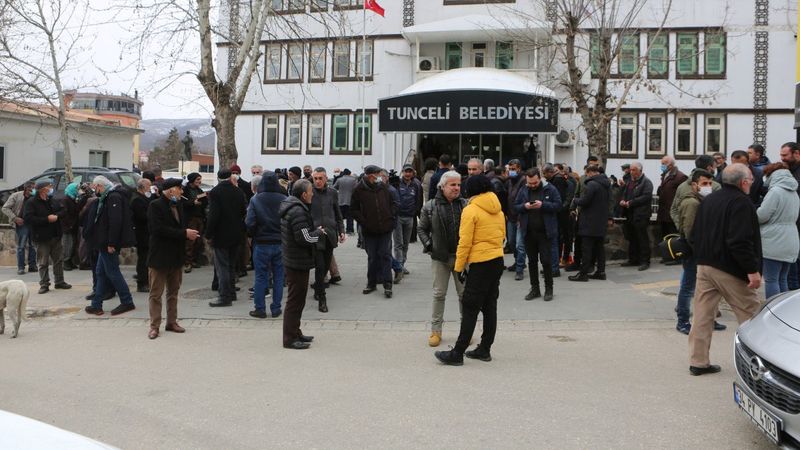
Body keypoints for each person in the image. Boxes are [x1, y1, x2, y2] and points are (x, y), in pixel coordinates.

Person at [689, 164, 763, 376]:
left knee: (702, 315)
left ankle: (698, 361)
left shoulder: (710, 199)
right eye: (750, 178)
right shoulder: (742, 203)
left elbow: (694, 234)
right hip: (730, 268)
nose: (752, 181)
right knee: (752, 316)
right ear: (743, 182)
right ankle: (757, 366)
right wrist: (752, 270)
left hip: (705, 265)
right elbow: (739, 241)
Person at [434, 175, 506, 366]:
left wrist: (459, 267)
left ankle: (457, 352)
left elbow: (464, 242)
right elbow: (503, 237)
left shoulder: (471, 210)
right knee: (490, 306)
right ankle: (485, 348)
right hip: (497, 260)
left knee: (470, 306)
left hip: (481, 263)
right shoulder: (497, 209)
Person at [146, 178, 201, 339]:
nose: (182, 192)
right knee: (156, 293)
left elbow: (180, 226)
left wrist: (187, 233)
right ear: (171, 190)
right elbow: (157, 229)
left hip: (176, 256)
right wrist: (184, 233)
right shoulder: (155, 206)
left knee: (173, 292)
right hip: (160, 256)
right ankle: (154, 325)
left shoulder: (179, 205)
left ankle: (171, 321)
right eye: (179, 189)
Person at [418, 171, 467, 347]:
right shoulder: (430, 206)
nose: (457, 188)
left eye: (459, 185)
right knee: (439, 294)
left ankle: (465, 333)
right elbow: (421, 229)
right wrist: (430, 245)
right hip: (440, 258)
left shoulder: (465, 204)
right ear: (442, 186)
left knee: (464, 295)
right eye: (453, 185)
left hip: (462, 258)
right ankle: (436, 331)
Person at [674, 170, 719, 335]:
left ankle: (709, 319)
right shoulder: (692, 203)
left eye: (709, 183)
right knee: (688, 287)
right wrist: (699, 251)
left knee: (705, 288)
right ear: (694, 185)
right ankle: (683, 321)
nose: (708, 187)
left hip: (702, 250)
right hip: (694, 252)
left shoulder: (702, 200)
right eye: (704, 184)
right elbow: (689, 231)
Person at [280, 179, 323, 350]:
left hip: (295, 259)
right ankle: (290, 338)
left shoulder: (294, 207)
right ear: (304, 194)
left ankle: (295, 331)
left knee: (298, 300)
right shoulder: (298, 211)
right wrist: (319, 233)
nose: (312, 194)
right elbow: (304, 238)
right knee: (295, 301)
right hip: (296, 261)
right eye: (311, 191)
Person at [85, 176, 135, 316]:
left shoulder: (113, 197)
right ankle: (96, 304)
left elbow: (115, 222)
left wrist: (111, 243)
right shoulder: (108, 197)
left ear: (100, 186)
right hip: (104, 243)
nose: (95, 191)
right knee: (101, 272)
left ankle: (127, 301)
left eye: (95, 188)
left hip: (108, 243)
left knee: (112, 272)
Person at [514, 168, 561, 301]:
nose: (532, 185)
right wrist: (525, 207)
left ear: (539, 178)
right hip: (528, 232)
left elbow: (558, 205)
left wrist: (543, 205)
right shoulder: (523, 189)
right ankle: (535, 289)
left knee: (546, 261)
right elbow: (515, 206)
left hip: (545, 232)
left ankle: (549, 289)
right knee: (532, 262)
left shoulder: (550, 189)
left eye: (535, 183)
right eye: (530, 183)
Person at [351, 165, 397, 298]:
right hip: (369, 230)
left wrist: (391, 215)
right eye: (378, 174)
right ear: (371, 175)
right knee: (372, 257)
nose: (380, 177)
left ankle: (388, 284)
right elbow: (353, 209)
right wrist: (364, 221)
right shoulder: (358, 189)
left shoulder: (383, 187)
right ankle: (371, 283)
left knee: (385, 255)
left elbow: (394, 202)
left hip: (385, 228)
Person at [245, 171, 286, 319]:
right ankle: (276, 308)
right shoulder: (284, 199)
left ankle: (260, 309)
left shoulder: (256, 199)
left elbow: (249, 222)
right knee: (279, 277)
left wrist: (252, 235)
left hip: (261, 243)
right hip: (280, 242)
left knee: (261, 277)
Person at [757, 162, 799, 299]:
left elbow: (762, 215)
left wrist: (752, 212)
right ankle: (782, 311)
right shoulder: (793, 192)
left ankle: (772, 312)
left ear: (771, 175)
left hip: (773, 240)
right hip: (791, 239)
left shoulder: (775, 191)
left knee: (771, 279)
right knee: (783, 279)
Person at [206, 169, 247, 307]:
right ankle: (231, 293)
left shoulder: (215, 192)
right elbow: (243, 211)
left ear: (218, 178)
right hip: (236, 234)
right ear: (230, 178)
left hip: (221, 234)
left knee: (222, 266)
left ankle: (224, 296)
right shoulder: (238, 191)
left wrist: (208, 233)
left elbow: (213, 215)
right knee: (231, 266)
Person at [23, 180, 71, 294]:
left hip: (55, 235)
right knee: (43, 262)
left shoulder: (52, 200)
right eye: (49, 186)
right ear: (43, 189)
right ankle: (44, 284)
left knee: (58, 260)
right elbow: (28, 218)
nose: (51, 188)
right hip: (41, 237)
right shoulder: (31, 202)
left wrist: (57, 216)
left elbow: (63, 210)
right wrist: (46, 219)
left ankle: (59, 281)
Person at [309, 168, 344, 312]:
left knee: (325, 264)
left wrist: (341, 230)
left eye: (320, 178)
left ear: (326, 178)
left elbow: (337, 212)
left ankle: (318, 288)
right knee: (320, 265)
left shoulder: (332, 193)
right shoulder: (309, 192)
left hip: (330, 234)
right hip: (316, 234)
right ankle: (322, 298)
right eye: (315, 178)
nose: (317, 181)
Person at [568, 165, 610, 282]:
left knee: (586, 249)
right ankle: (601, 272)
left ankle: (583, 274)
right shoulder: (606, 183)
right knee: (599, 248)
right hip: (600, 221)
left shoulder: (592, 184)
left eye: (586, 173)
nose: (586, 176)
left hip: (589, 221)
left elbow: (585, 201)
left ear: (590, 172)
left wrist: (575, 200)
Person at [619, 162, 653, 271]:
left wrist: (631, 203)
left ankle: (645, 261)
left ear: (639, 170)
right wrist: (623, 200)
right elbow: (625, 192)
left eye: (633, 170)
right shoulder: (630, 181)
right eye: (631, 170)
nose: (631, 172)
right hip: (630, 214)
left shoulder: (646, 182)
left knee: (642, 238)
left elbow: (646, 197)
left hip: (641, 215)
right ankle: (633, 259)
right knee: (632, 238)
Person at [393, 164, 423, 282]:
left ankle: (402, 264)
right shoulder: (397, 183)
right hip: (398, 217)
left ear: (413, 173)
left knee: (406, 243)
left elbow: (419, 200)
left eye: (410, 172)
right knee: (398, 243)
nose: (408, 174)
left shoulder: (416, 185)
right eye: (406, 171)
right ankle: (398, 266)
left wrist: (416, 212)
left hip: (410, 217)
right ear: (402, 172)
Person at [656, 156, 687, 265]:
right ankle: (667, 255)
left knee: (673, 235)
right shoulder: (665, 175)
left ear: (671, 164)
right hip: (663, 211)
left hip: (672, 212)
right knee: (664, 234)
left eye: (664, 163)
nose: (662, 165)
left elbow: (682, 195)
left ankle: (676, 256)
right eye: (662, 163)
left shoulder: (680, 177)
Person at [3, 181, 37, 275]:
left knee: (33, 245)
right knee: (21, 246)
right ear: (27, 188)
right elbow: (5, 208)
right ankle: (21, 267)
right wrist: (15, 218)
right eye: (32, 188)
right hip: (21, 223)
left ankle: (32, 265)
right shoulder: (16, 196)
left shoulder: (35, 197)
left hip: (33, 223)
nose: (34, 190)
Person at [505, 159, 527, 279]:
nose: (511, 171)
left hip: (520, 217)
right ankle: (518, 261)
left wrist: (520, 216)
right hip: (510, 216)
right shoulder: (509, 181)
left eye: (513, 169)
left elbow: (523, 199)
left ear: (519, 169)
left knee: (519, 244)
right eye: (510, 169)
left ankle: (520, 269)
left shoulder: (523, 181)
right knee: (511, 242)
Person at [131, 178, 153, 293]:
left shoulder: (144, 198)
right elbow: (142, 216)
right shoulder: (137, 200)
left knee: (146, 258)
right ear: (143, 187)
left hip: (146, 233)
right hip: (142, 234)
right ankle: (142, 282)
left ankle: (146, 280)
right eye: (149, 186)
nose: (150, 188)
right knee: (143, 259)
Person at [183, 172, 207, 273]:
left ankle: (194, 260)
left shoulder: (199, 190)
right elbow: (183, 203)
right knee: (190, 241)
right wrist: (193, 203)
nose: (199, 181)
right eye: (197, 179)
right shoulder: (185, 190)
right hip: (190, 218)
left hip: (199, 218)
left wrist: (205, 199)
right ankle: (187, 262)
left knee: (198, 240)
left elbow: (204, 203)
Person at [60, 182, 81, 271]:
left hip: (73, 226)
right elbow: (64, 214)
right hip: (68, 227)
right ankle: (66, 262)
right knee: (67, 245)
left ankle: (70, 261)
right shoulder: (65, 199)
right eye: (76, 189)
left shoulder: (72, 199)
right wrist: (69, 225)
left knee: (73, 244)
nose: (78, 190)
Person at [333, 168, 357, 234]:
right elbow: (356, 189)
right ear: (349, 173)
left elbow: (334, 188)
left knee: (339, 217)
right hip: (350, 201)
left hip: (340, 201)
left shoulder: (339, 180)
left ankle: (339, 230)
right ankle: (349, 230)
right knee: (350, 217)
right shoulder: (353, 180)